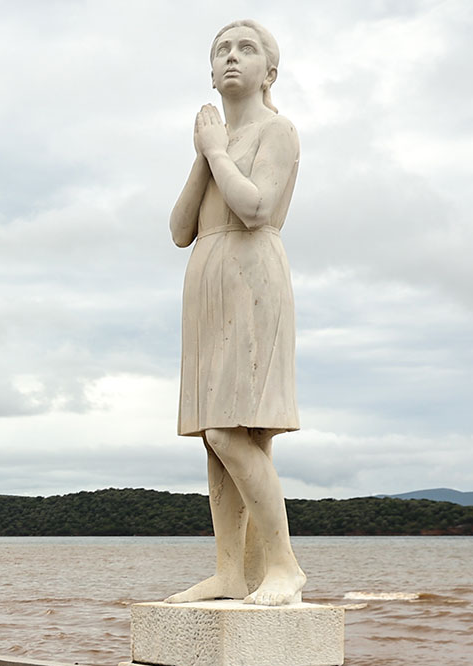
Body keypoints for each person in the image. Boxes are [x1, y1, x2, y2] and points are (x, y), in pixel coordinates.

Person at [167, 19, 306, 606]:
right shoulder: (215, 146)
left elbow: (255, 206)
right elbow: (178, 230)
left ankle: (284, 565)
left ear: (268, 72)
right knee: (215, 435)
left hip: (252, 274)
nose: (231, 57)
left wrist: (217, 150)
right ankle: (231, 571)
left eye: (246, 49)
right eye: (221, 49)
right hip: (208, 276)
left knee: (234, 428)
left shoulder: (279, 131)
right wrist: (205, 154)